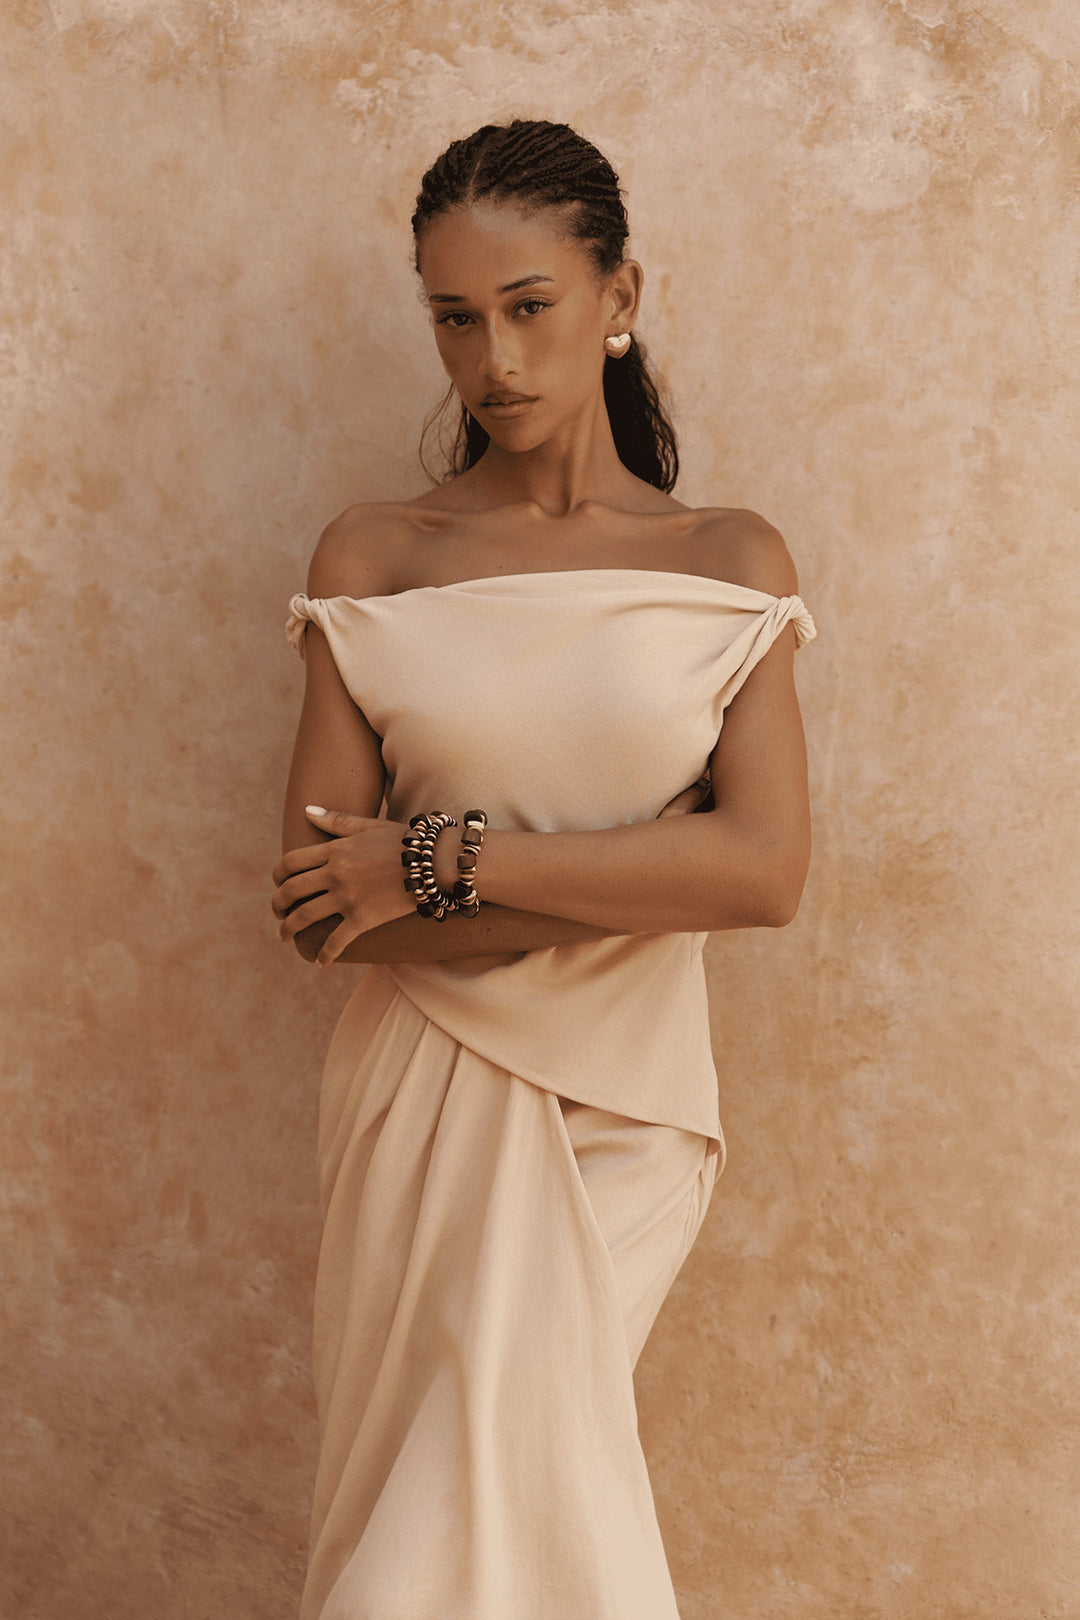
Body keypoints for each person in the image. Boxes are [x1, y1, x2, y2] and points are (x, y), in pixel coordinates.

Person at [270, 117, 816, 1620]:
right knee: (454, 1518)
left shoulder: (728, 563)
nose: (493, 359)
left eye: (529, 307)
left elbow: (763, 874)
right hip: (419, 1097)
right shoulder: (375, 559)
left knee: (470, 1513)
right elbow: (325, 911)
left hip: (629, 1110)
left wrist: (437, 862)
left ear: (618, 296)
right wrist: (637, 870)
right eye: (455, 318)